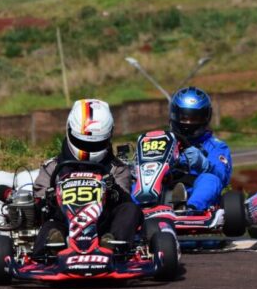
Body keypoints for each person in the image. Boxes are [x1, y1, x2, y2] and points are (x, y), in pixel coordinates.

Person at [30, 99, 143, 258]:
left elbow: (125, 200)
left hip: (104, 227)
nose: (89, 151)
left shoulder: (117, 168)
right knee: (50, 224)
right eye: (82, 142)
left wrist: (114, 190)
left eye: (95, 145)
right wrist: (48, 199)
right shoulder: (52, 168)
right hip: (64, 224)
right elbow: (38, 206)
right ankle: (50, 250)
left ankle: (113, 246)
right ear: (70, 131)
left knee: (131, 210)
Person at [169, 86, 232, 210]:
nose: (188, 123)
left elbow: (222, 176)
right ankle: (136, 209)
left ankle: (190, 209)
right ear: (175, 115)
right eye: (184, 118)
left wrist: (204, 164)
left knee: (211, 179)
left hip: (195, 189)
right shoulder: (166, 141)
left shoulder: (217, 146)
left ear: (205, 117)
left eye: (194, 118)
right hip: (165, 186)